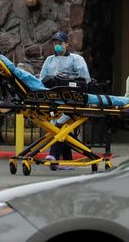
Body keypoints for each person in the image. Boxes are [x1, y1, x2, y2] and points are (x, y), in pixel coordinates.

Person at [40, 31, 91, 167]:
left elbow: (84, 80)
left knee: (60, 127)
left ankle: (53, 156)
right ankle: (67, 160)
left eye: (60, 43)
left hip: (71, 100)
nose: (57, 46)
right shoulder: (49, 60)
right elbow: (42, 79)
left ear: (66, 44)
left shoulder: (76, 60)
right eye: (55, 43)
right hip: (54, 100)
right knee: (63, 129)